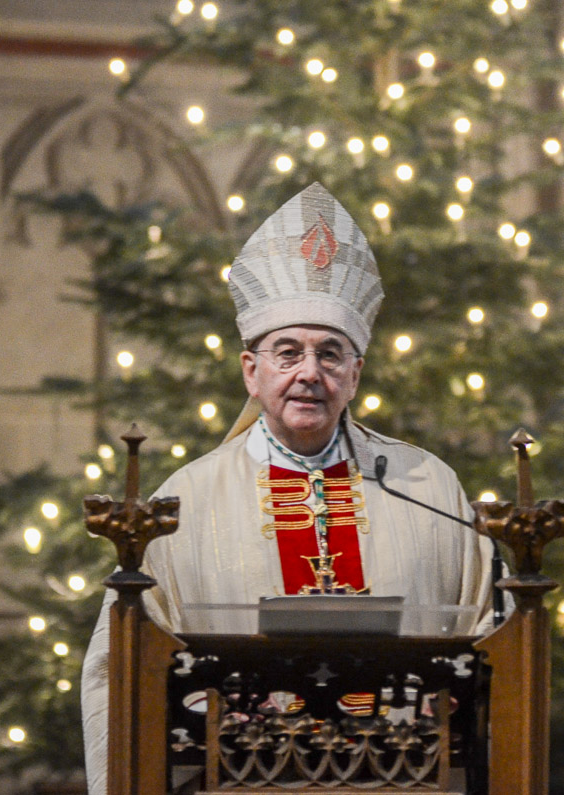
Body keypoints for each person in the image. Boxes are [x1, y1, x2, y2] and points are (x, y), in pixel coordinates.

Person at [81, 182, 494, 794]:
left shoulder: (427, 485)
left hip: (402, 779)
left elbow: (491, 642)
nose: (309, 373)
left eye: (331, 354)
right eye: (287, 352)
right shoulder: (185, 501)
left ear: (355, 375)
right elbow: (118, 668)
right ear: (251, 372)